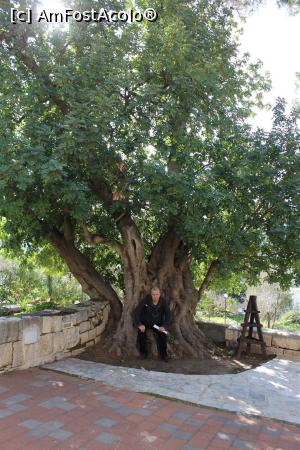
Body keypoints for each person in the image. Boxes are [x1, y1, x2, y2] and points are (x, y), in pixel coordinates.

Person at [133, 287, 171, 362]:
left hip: (156, 324)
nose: (155, 296)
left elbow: (168, 314)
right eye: (153, 294)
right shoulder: (146, 300)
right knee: (141, 332)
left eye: (157, 294)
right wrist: (139, 324)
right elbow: (136, 312)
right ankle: (143, 353)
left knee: (163, 334)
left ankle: (164, 355)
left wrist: (164, 326)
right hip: (145, 322)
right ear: (151, 295)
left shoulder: (163, 301)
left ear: (159, 294)